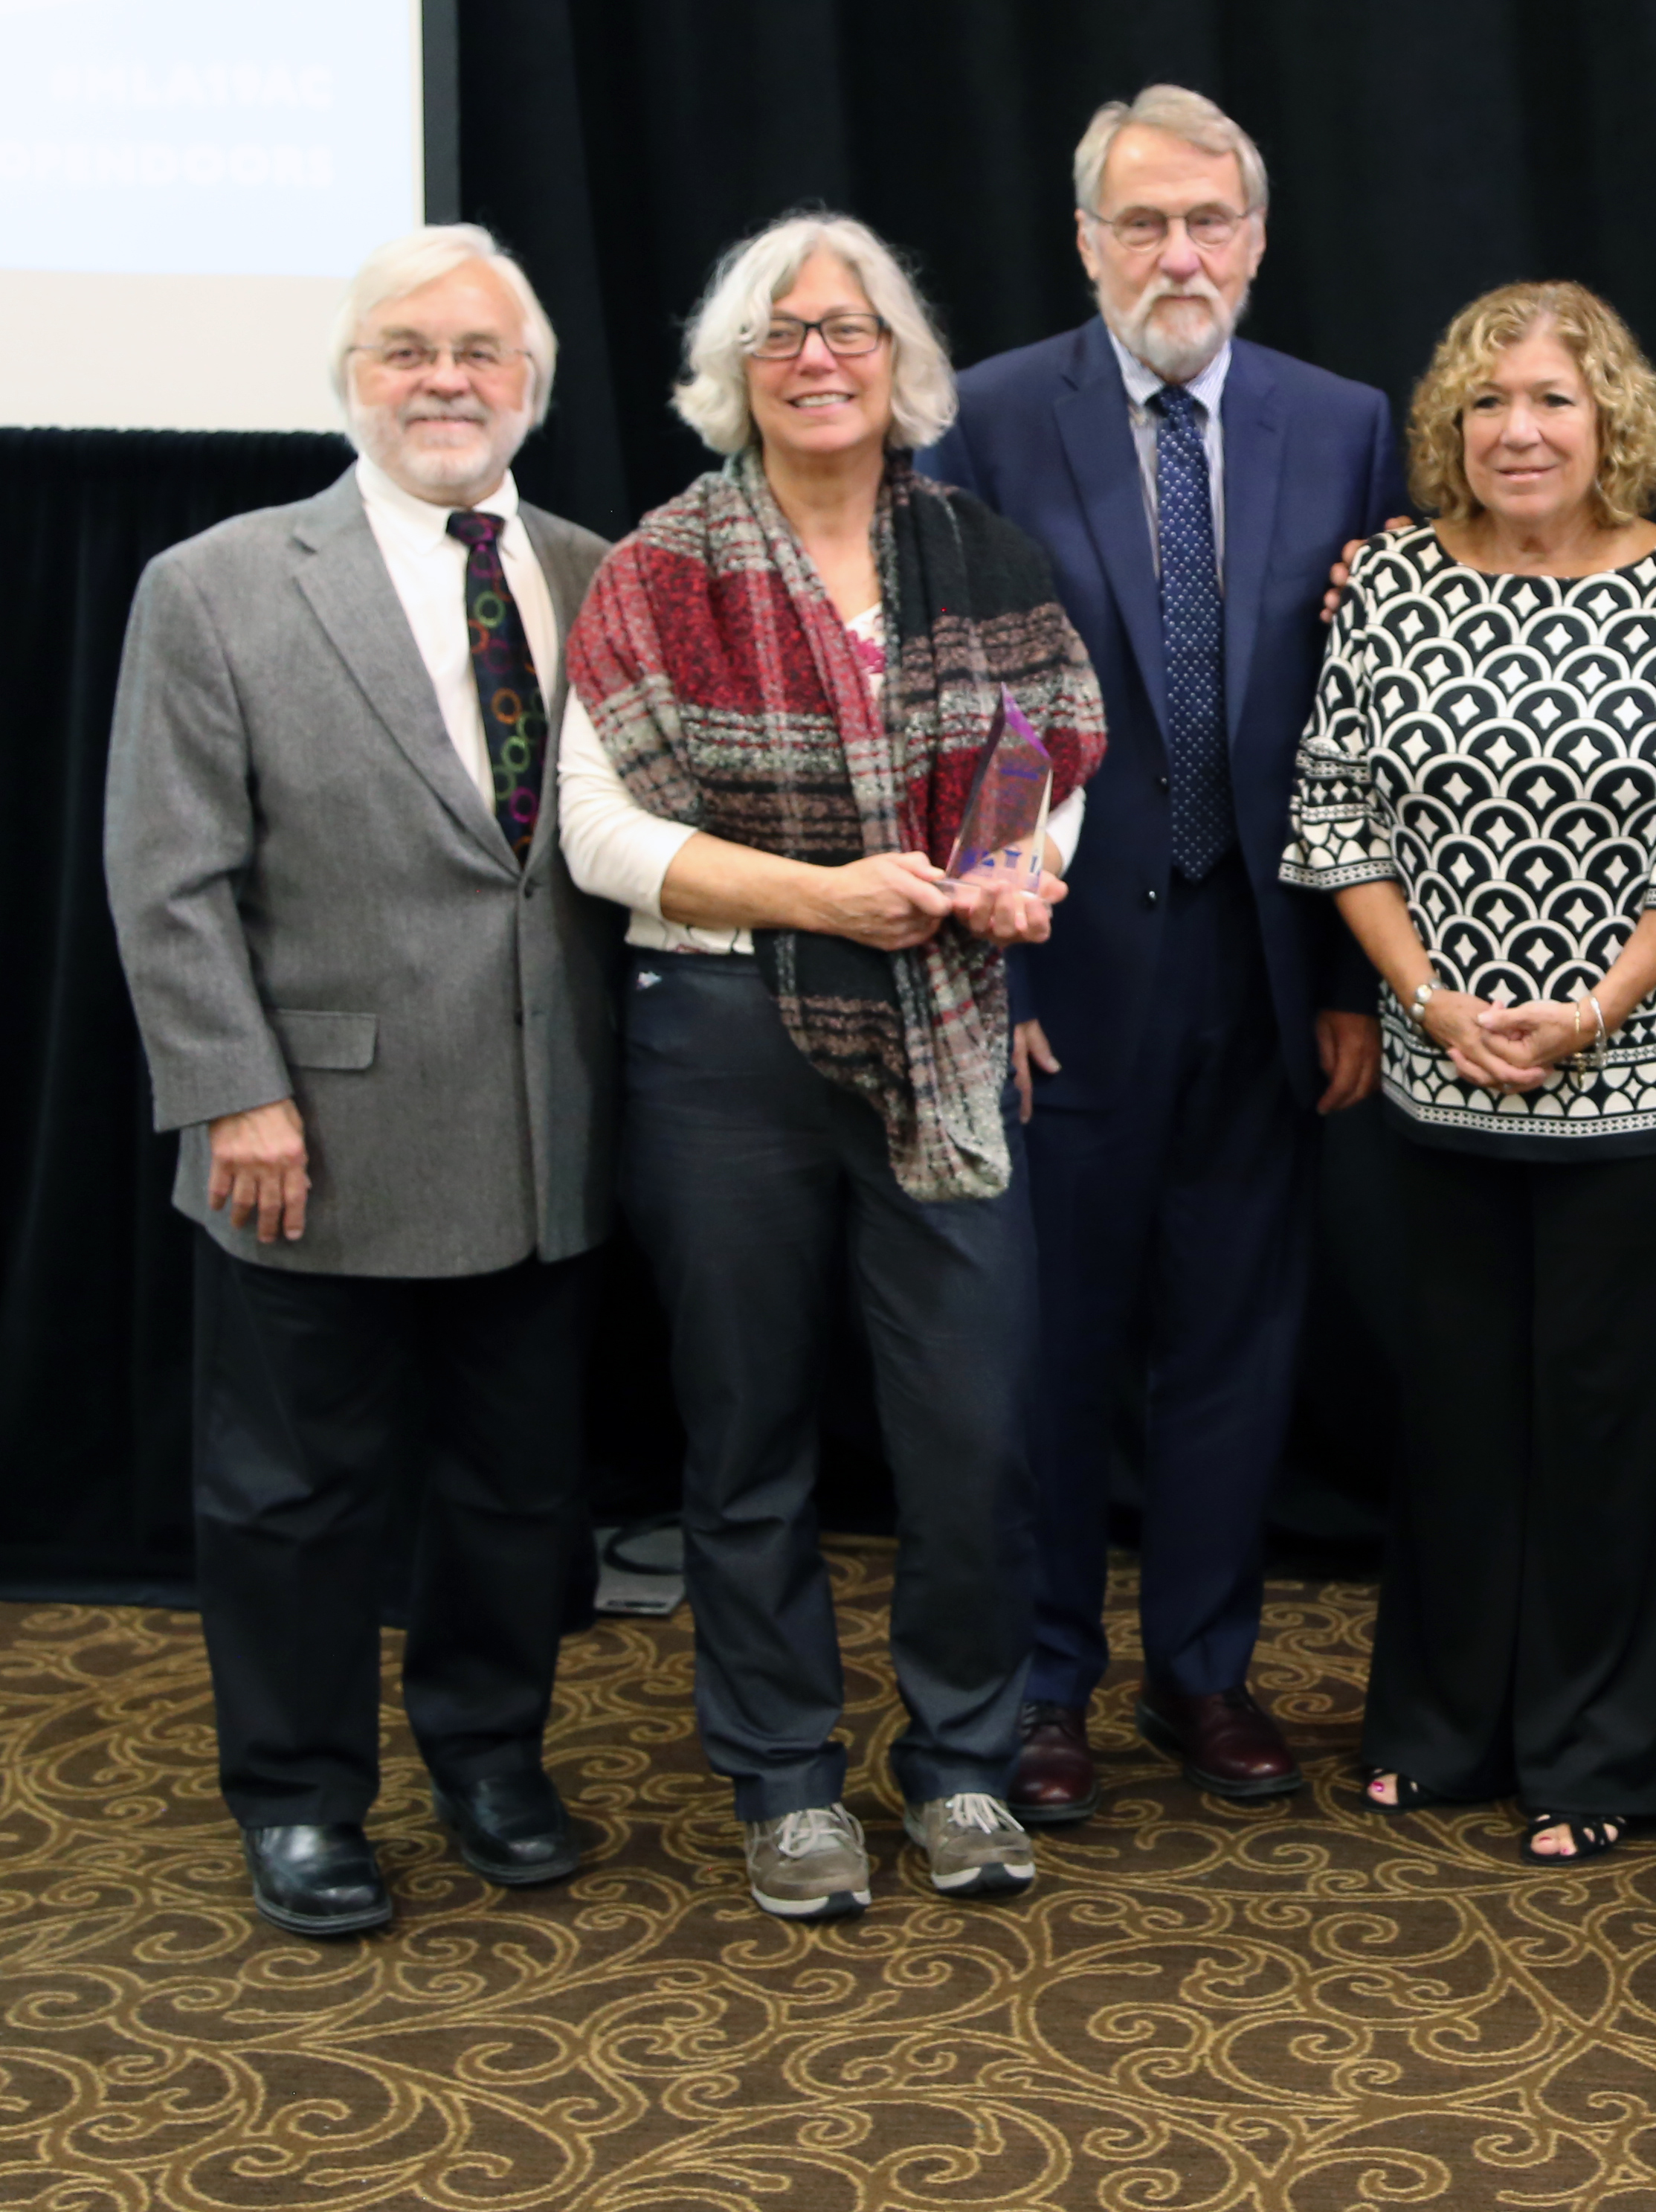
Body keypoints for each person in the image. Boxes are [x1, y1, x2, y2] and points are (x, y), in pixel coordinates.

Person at [558, 213, 1106, 1921]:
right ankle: (786, 1778)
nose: (816, 357)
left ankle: (959, 1761)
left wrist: (1016, 863)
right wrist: (824, 898)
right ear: (735, 371)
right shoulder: (659, 568)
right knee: (745, 1435)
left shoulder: (982, 554)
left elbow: (1033, 757)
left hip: (944, 1027)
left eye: (848, 330)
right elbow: (602, 836)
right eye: (781, 332)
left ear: (899, 366)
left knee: (972, 1434)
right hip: (720, 1037)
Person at [103, 225, 618, 1938]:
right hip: (305, 1134)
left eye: (480, 351)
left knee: (516, 1486)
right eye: (407, 349)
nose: (446, 380)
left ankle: (488, 1755)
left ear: (530, 384)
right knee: (290, 1497)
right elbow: (165, 876)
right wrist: (231, 1090)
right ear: (349, 376)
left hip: (550, 1132)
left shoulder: (597, 572)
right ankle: (303, 1797)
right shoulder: (221, 582)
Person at [920, 84, 1396, 1822]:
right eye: (1142, 223)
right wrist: (1002, 975)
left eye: (1208, 221)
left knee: (1233, 1344)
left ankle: (1206, 1668)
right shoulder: (980, 419)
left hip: (1268, 965)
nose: (1177, 253)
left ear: (1256, 242)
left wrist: (1350, 978)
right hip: (1060, 973)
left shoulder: (1342, 426)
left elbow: (1367, 727)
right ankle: (1047, 1681)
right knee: (1050, 1349)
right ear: (1085, 244)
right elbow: (952, 703)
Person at [1286, 280, 1656, 1862]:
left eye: (1552, 400)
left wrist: (1588, 1008)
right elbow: (1338, 819)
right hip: (1447, 1077)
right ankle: (1439, 1724)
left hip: (1639, 1080)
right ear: (1453, 425)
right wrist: (1432, 1000)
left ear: (1611, 423)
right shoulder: (1386, 589)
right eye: (1488, 401)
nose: (1518, 428)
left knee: (1609, 1423)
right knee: (1455, 1411)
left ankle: (1604, 1748)